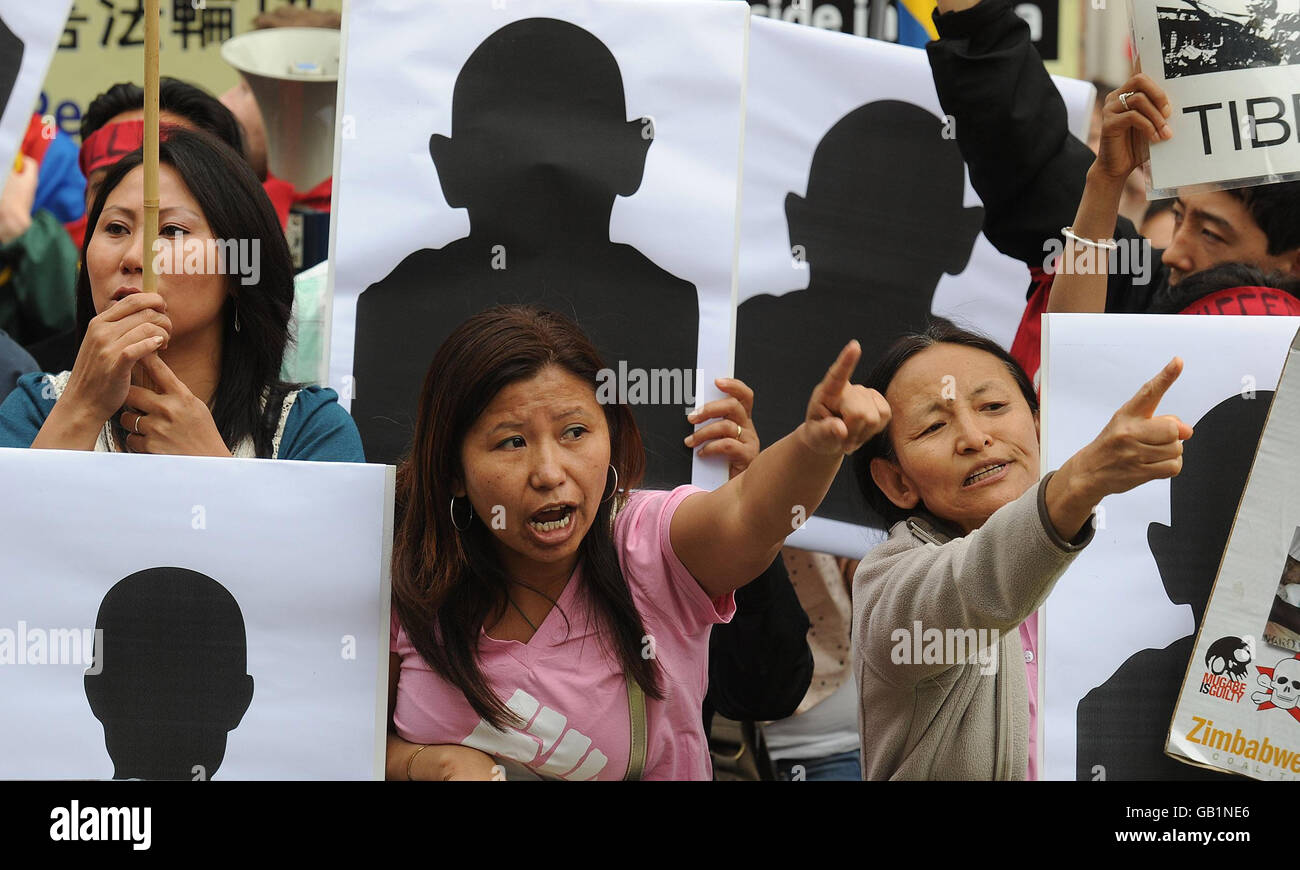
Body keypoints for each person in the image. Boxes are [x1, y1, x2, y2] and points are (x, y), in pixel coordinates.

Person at [387, 305, 885, 780]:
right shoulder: (404, 575)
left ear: (611, 436)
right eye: (511, 441)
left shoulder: (648, 544)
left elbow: (748, 511)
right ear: (453, 470)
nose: (548, 472)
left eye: (575, 432)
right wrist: (434, 764)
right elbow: (346, 734)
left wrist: (817, 446)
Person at [352, 18, 699, 486]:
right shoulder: (388, 308)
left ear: (448, 165)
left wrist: (742, 485)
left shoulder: (677, 308)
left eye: (574, 432)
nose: (547, 472)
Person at [851, 320, 1191, 779]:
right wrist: (1082, 480)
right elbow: (971, 587)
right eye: (933, 426)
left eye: (993, 405)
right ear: (896, 481)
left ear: (1038, 423)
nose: (974, 437)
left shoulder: (1121, 556)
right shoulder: (888, 582)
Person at [925, 0, 1300, 383]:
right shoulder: (1122, 278)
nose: (1173, 252)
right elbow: (1026, 153)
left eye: (1211, 234)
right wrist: (1106, 178)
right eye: (1178, 215)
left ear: (1294, 265)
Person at [0, 129, 361, 461]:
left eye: (171, 231)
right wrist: (80, 410)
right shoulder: (35, 408)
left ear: (238, 268)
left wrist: (212, 467)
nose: (133, 258)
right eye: (115, 228)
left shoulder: (312, 430)